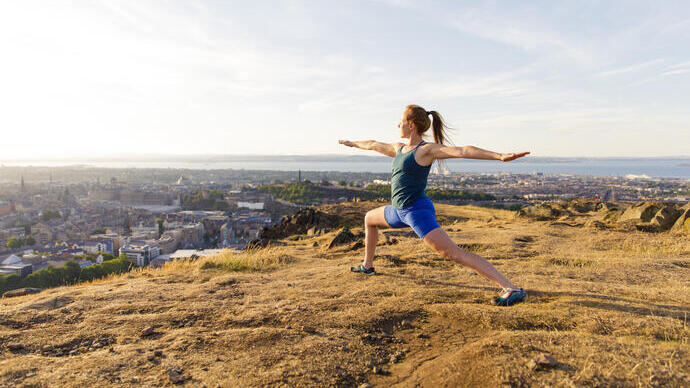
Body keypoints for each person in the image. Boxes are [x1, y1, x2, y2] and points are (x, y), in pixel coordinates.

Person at [338, 104, 530, 306]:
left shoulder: (425, 151)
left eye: (401, 122)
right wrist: (352, 143)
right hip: (398, 210)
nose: (398, 125)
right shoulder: (399, 148)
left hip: (416, 212)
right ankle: (367, 266)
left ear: (411, 125)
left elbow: (462, 151)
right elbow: (373, 144)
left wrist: (499, 156)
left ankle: (511, 288)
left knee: (452, 253)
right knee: (369, 219)